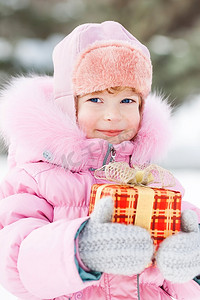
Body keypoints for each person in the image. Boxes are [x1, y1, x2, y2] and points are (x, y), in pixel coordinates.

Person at [0, 21, 200, 300]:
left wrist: (192, 263)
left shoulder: (156, 183)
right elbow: (13, 257)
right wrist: (81, 249)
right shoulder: (36, 179)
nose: (113, 116)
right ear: (69, 104)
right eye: (95, 99)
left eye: (127, 101)